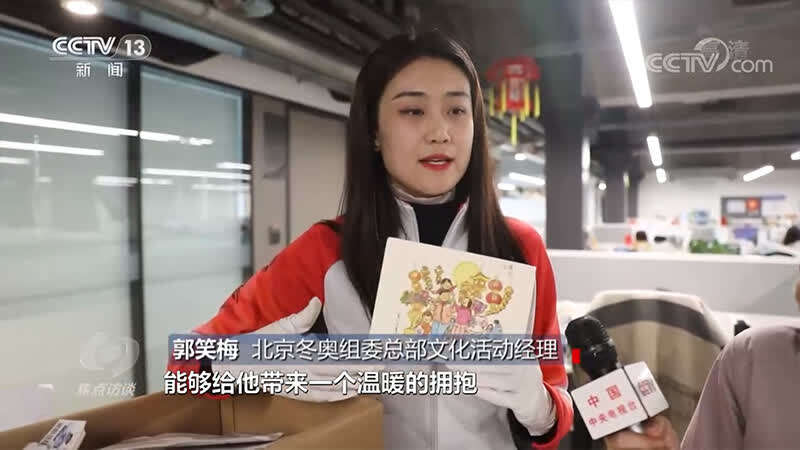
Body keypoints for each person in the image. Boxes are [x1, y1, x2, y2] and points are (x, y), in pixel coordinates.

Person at [168, 31, 572, 450]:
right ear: (375, 132)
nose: (440, 132)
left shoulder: (520, 248)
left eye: (457, 110)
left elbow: (557, 402)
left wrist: (539, 406)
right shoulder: (325, 250)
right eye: (413, 110)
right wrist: (255, 363)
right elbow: (183, 366)